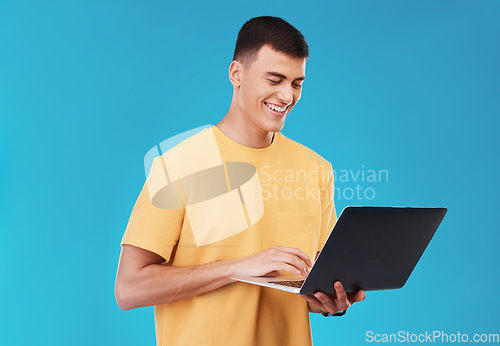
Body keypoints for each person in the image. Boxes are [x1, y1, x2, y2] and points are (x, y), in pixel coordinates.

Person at [115, 16, 365, 346]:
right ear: (236, 74)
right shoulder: (177, 165)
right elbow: (129, 288)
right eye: (275, 79)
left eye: (296, 83)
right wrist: (240, 267)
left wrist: (331, 303)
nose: (287, 95)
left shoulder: (316, 169)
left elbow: (311, 283)